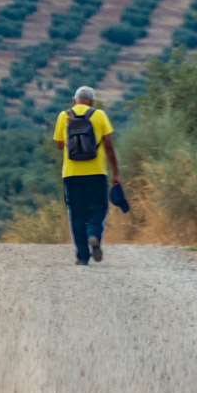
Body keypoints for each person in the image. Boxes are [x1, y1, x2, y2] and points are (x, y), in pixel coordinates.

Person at [52, 85, 122, 265]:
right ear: (92, 102)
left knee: (76, 213)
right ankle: (93, 234)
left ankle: (82, 256)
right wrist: (116, 172)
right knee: (98, 208)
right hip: (96, 172)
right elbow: (108, 145)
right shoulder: (99, 115)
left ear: (74, 100)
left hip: (71, 173)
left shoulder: (64, 115)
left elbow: (59, 144)